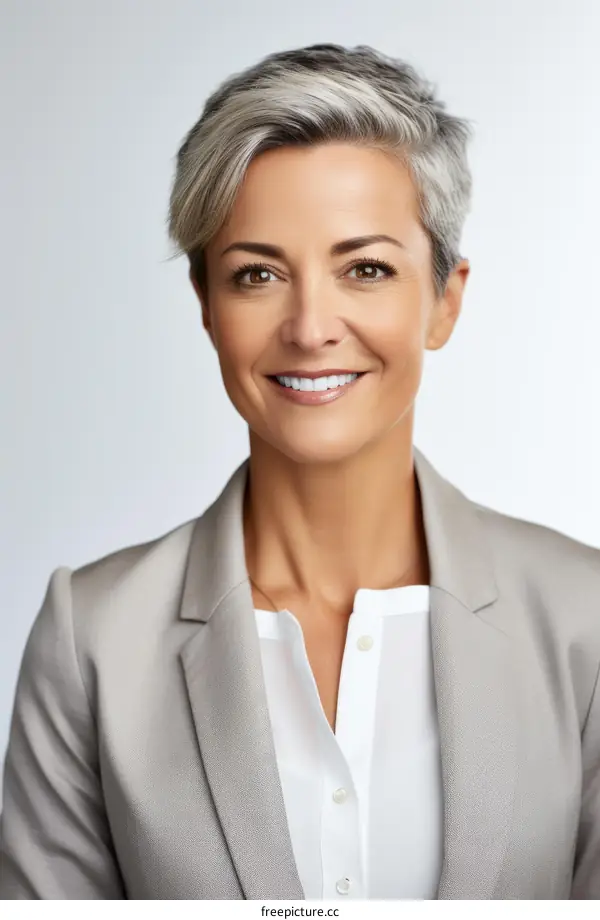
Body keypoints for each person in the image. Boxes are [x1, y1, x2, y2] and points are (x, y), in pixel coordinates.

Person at [0, 42, 599, 901]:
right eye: (258, 274)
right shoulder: (92, 638)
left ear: (445, 299)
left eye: (365, 268)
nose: (312, 325)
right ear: (207, 308)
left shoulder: (585, 619)